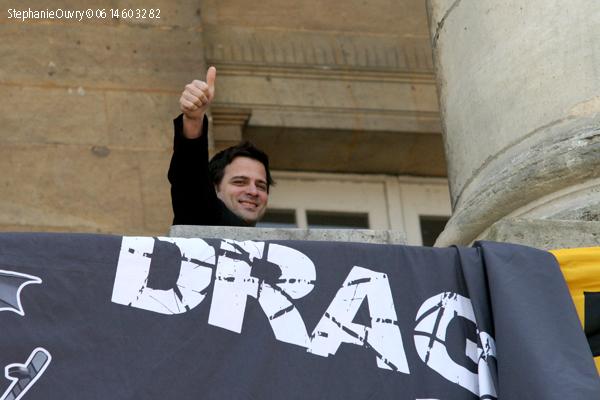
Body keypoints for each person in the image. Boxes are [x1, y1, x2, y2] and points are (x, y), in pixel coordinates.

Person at [168, 66, 274, 227]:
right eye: (239, 182)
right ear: (215, 189)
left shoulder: (274, 249)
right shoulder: (203, 218)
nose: (253, 192)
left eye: (261, 186)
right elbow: (191, 182)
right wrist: (193, 120)